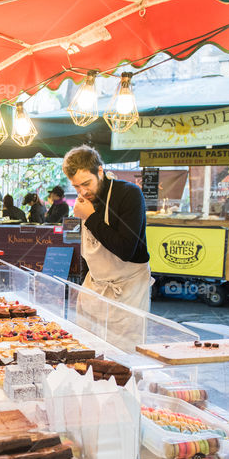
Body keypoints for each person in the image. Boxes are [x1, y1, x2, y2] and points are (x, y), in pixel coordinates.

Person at [64, 145, 150, 347]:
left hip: (127, 289)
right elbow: (89, 249)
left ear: (99, 171)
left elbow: (126, 250)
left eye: (87, 183)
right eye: (76, 187)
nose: (82, 191)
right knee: (88, 348)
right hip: (95, 285)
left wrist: (90, 216)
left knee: (122, 353)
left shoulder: (130, 195)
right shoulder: (84, 200)